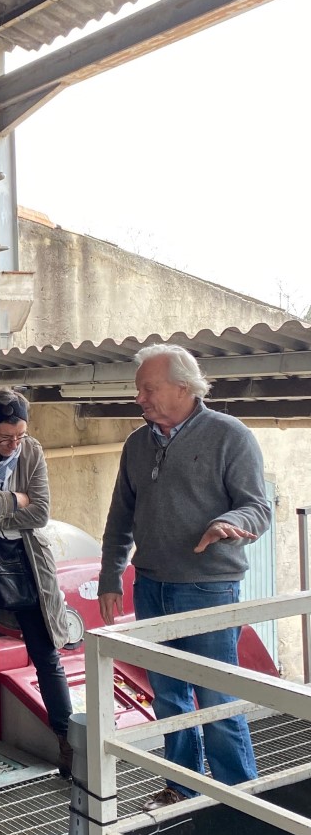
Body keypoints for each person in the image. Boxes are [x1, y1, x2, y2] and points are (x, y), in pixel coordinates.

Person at [98, 343, 271, 811]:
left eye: (148, 389)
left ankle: (240, 797)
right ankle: (182, 785)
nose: (139, 398)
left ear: (183, 387)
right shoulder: (137, 444)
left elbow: (258, 507)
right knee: (169, 697)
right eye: (139, 390)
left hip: (208, 588)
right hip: (151, 587)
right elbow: (121, 516)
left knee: (216, 698)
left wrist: (230, 522)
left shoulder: (229, 436)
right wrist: (111, 576)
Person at [0, 389, 73, 780]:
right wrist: (13, 501)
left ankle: (67, 740)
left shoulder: (31, 451)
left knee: (47, 654)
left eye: (20, 435)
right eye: (5, 437)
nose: (13, 445)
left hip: (27, 562)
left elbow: (40, 513)